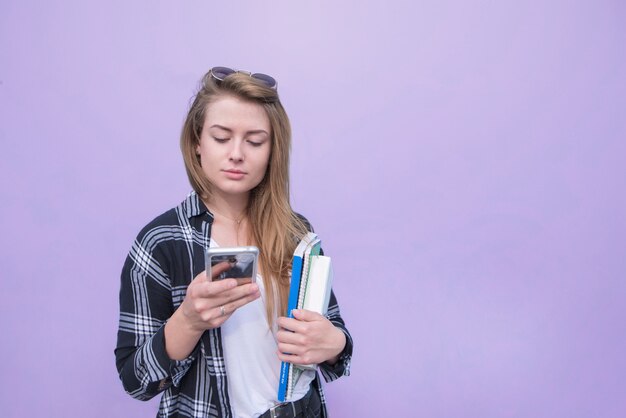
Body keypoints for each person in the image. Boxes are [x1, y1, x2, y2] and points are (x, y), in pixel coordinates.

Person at [115, 67, 353, 418]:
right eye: (221, 138)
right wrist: (188, 321)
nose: (237, 153)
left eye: (255, 141)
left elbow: (334, 333)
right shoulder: (160, 242)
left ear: (273, 150)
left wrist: (335, 343)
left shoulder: (296, 231)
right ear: (197, 143)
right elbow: (136, 381)